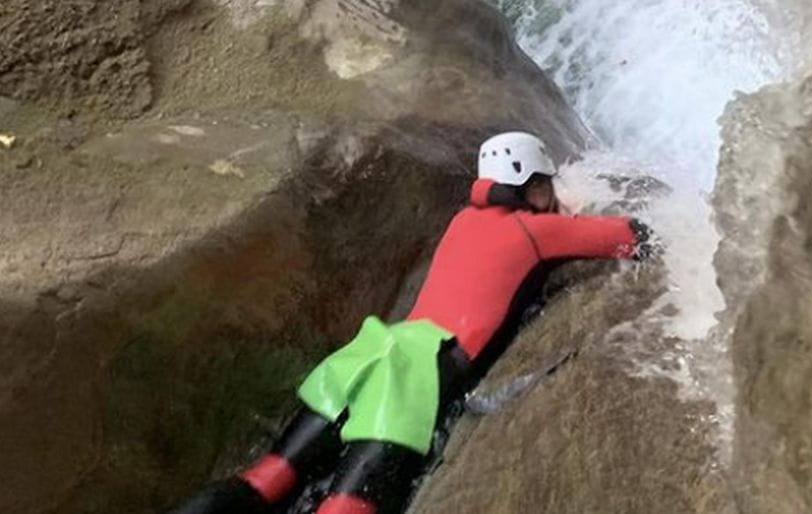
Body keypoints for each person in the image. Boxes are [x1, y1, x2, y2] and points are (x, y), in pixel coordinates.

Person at [169, 131, 652, 514]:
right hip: (418, 377)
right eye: (545, 184)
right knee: (347, 505)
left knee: (266, 479)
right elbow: (631, 237)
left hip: (372, 353)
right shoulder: (537, 228)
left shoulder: (463, 220)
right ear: (532, 186)